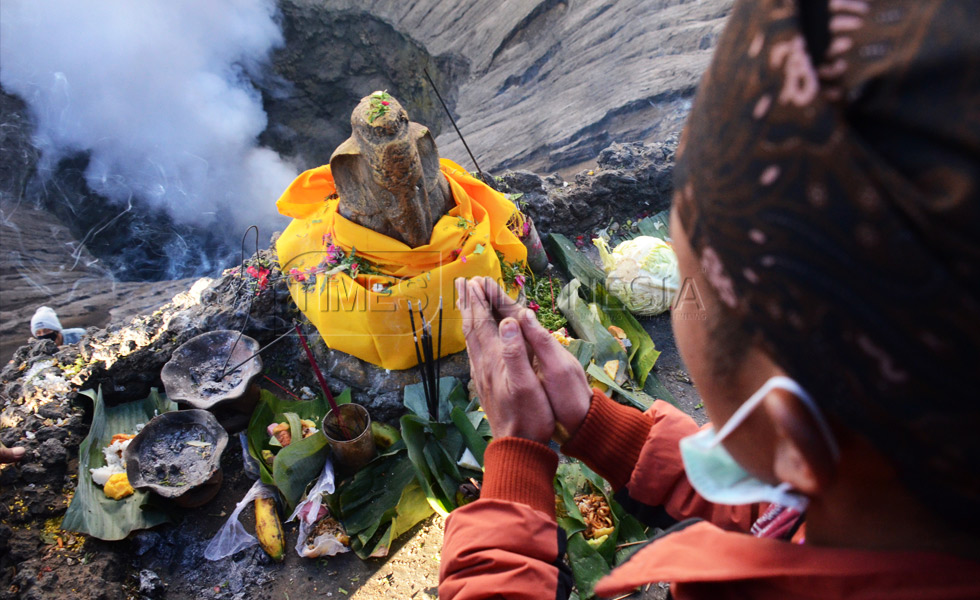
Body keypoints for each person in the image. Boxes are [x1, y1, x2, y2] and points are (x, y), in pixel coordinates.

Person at [439, 1, 980, 598]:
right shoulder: (899, 509)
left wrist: (515, 459)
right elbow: (790, 513)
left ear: (795, 433)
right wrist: (598, 427)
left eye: (693, 295)